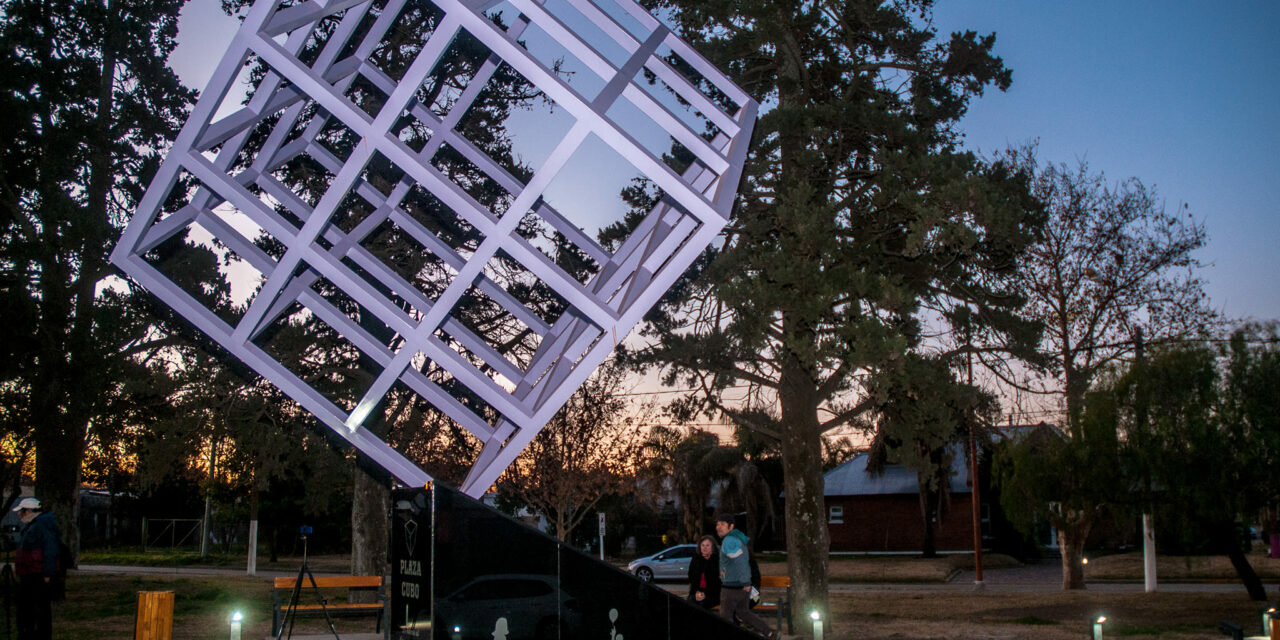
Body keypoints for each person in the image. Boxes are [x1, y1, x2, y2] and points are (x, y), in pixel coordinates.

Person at [715, 514, 776, 639]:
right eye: (717, 524)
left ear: (731, 526)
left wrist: (745, 581)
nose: (718, 527)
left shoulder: (730, 540)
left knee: (725, 616)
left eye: (722, 524)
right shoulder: (738, 539)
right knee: (743, 612)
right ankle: (768, 632)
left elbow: (740, 561)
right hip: (741, 586)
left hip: (732, 586)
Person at [13, 498, 59, 640]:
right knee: (29, 609)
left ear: (28, 511)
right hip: (31, 572)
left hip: (36, 573)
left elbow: (50, 550)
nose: (20, 514)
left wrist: (47, 573)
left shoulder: (42, 525)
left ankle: (37, 634)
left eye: (21, 511)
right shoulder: (34, 525)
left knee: (38, 609)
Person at [687, 534, 720, 610]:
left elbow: (718, 581)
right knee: (690, 602)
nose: (704, 548)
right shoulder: (696, 559)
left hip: (713, 593)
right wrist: (697, 592)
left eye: (707, 545)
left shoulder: (717, 560)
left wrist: (705, 594)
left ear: (713, 547)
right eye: (703, 545)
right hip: (697, 591)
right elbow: (691, 577)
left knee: (703, 604)